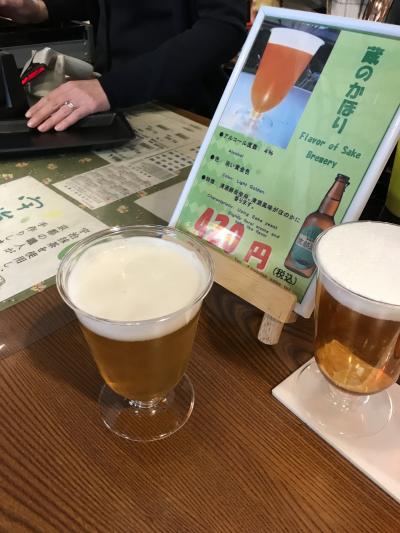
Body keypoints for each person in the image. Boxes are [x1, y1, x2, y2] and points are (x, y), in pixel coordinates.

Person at [0, 0, 246, 131]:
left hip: (184, 110)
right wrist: (40, 9)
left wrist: (110, 89)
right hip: (115, 104)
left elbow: (222, 30)